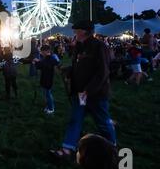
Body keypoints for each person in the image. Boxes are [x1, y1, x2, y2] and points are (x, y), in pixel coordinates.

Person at [50, 21, 116, 161]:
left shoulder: (99, 46)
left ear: (84, 31)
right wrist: (67, 70)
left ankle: (112, 148)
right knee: (75, 119)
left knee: (103, 122)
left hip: (95, 94)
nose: (74, 33)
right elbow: (78, 66)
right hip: (79, 92)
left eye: (76, 30)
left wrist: (89, 90)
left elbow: (103, 72)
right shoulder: (79, 46)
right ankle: (67, 149)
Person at [33, 45, 60, 115]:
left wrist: (37, 62)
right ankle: (48, 106)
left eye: (42, 52)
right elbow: (43, 65)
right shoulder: (48, 58)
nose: (41, 53)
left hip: (47, 79)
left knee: (48, 94)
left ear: (45, 51)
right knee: (46, 94)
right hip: (45, 78)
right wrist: (38, 62)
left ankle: (51, 108)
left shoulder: (50, 58)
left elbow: (43, 65)